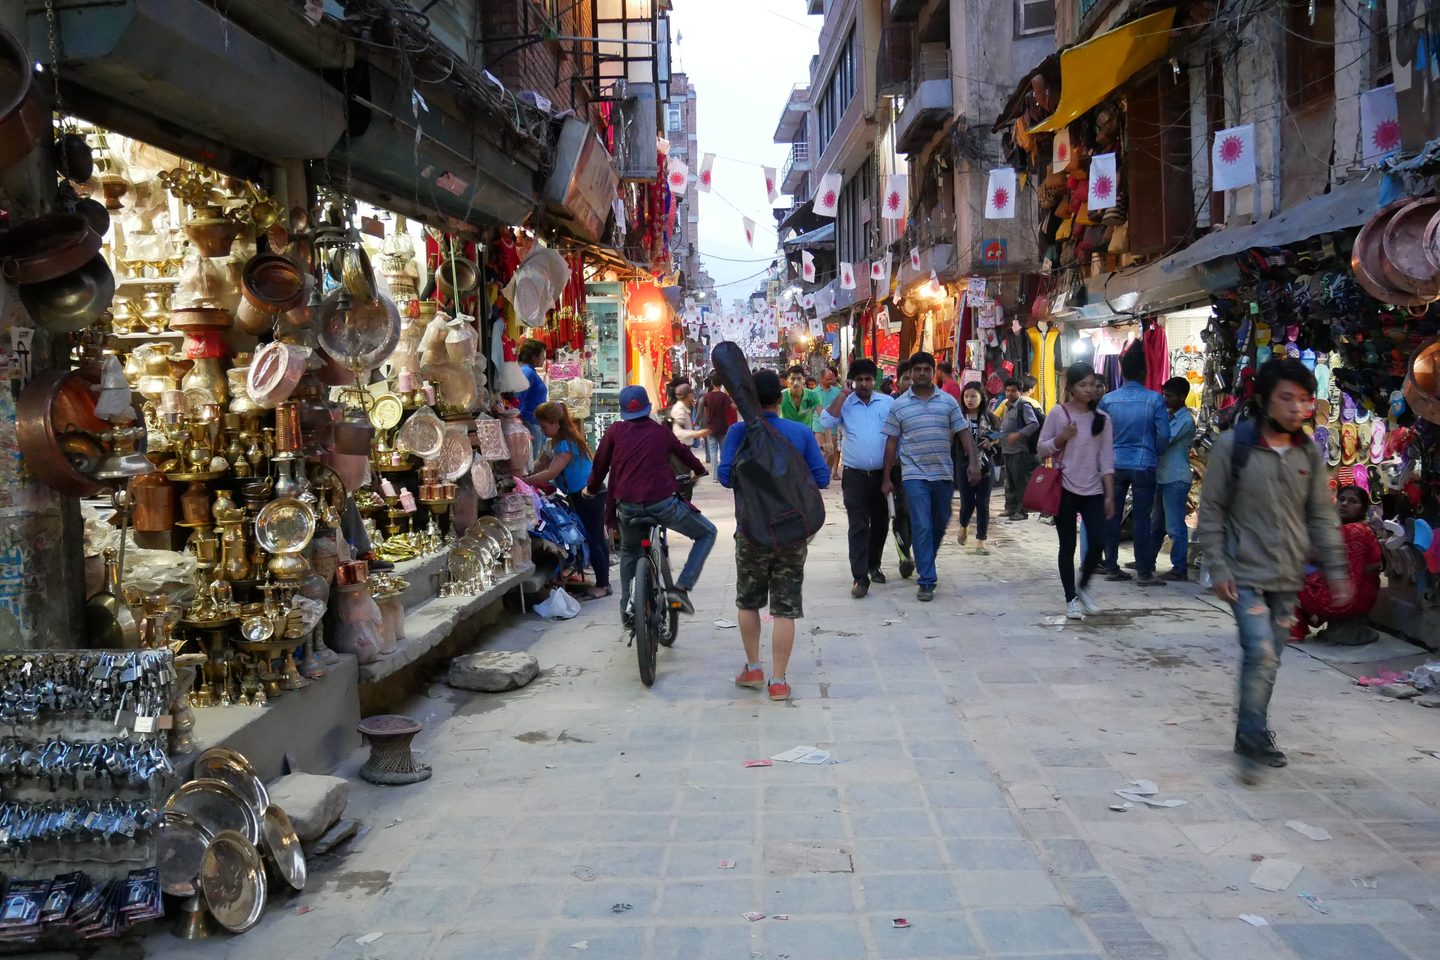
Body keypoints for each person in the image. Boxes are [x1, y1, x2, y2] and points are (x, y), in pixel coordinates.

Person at [1196, 357, 1350, 770]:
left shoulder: (1309, 452)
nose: (1296, 408)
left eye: (1303, 399)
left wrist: (1336, 570)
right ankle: (1251, 738)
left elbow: (1321, 514)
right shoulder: (1234, 447)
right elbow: (1210, 512)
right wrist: (1218, 567)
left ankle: (1253, 727)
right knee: (1260, 653)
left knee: (1271, 658)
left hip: (1287, 575)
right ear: (1264, 400)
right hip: (1242, 572)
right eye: (1287, 398)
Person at [718, 370, 830, 701]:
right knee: (785, 608)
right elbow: (822, 477)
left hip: (751, 531)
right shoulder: (799, 432)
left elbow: (725, 477)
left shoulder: (739, 432)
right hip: (792, 533)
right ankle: (778, 681)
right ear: (779, 399)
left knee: (748, 601)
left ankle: (754, 667)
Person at [586, 385, 718, 631]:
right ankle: (681, 589)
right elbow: (684, 454)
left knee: (629, 553)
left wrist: (591, 489)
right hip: (663, 504)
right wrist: (699, 470)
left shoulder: (615, 431)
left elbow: (599, 466)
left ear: (623, 411)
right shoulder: (660, 431)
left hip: (627, 507)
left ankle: (627, 607)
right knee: (707, 533)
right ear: (647, 408)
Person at [881, 352, 981, 601]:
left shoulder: (947, 402)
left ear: (933, 372)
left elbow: (964, 434)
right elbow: (891, 443)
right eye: (918, 370)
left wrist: (974, 462)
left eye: (927, 369)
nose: (922, 373)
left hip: (943, 474)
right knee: (922, 525)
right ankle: (927, 579)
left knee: (940, 522)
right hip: (913, 474)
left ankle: (925, 558)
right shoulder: (899, 405)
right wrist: (886, 478)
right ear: (911, 373)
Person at [1037, 362, 1115, 620]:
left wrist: (1110, 494)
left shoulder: (1103, 419)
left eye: (1093, 385)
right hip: (1065, 488)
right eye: (1083, 385)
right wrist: (1062, 438)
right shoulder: (1058, 414)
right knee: (1067, 545)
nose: (1089, 389)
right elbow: (1041, 448)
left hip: (1094, 490)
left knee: (1099, 541)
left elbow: (1106, 459)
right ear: (1070, 388)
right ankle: (1070, 597)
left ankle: (1083, 587)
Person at [819, 359, 895, 598]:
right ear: (852, 381)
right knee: (859, 525)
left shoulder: (887, 403)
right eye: (859, 379)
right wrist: (843, 395)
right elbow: (826, 422)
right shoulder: (845, 403)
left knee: (881, 523)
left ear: (875, 381)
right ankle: (860, 578)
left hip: (883, 474)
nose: (864, 383)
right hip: (854, 475)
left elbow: (896, 436)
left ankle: (874, 564)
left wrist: (892, 475)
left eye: (868, 379)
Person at [523, 402, 609, 599]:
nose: (543, 431)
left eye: (544, 427)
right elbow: (541, 464)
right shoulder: (552, 442)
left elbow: (551, 472)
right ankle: (603, 581)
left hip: (589, 494)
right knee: (595, 536)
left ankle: (603, 585)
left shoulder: (565, 444)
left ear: (556, 424)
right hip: (580, 494)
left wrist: (524, 481)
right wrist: (526, 474)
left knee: (595, 538)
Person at [1098, 344, 1168, 586]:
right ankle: (1145, 572)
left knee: (1112, 517)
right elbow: (1163, 435)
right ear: (1143, 373)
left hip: (1114, 463)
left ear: (1122, 371)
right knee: (1142, 519)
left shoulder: (1107, 400)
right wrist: (1154, 453)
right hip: (1144, 463)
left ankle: (1111, 566)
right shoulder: (1155, 399)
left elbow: (1099, 433)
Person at [1292, 485, 1383, 646]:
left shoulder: (1355, 530)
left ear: (1362, 509)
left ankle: (1294, 630)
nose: (1345, 503)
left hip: (1347, 596)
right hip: (1355, 595)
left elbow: (1340, 570)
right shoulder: (1351, 529)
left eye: (1352, 501)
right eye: (1342, 499)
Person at [1152, 376, 1197, 581]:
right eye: (1164, 394)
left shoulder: (1185, 420)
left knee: (1174, 525)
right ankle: (1147, 560)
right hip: (1164, 476)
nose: (1165, 399)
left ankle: (1179, 568)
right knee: (1157, 523)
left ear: (1181, 397)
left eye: (1169, 396)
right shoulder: (1170, 415)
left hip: (1175, 477)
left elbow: (1164, 440)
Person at [955, 382, 1000, 555]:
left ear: (981, 397)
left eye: (973, 396)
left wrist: (991, 440)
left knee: (983, 503)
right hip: (963, 463)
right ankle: (964, 525)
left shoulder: (989, 417)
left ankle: (981, 540)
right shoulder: (958, 417)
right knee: (967, 502)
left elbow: (998, 432)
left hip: (985, 464)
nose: (970, 400)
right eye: (966, 396)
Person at [998, 378, 1041, 520]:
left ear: (1019, 392)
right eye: (1008, 390)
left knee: (1020, 482)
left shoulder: (1024, 405)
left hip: (1020, 450)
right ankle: (1010, 508)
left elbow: (1033, 424)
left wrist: (1018, 435)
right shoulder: (1007, 405)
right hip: (1007, 449)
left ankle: (1022, 511)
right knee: (1009, 481)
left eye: (1013, 391)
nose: (1010, 393)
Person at [517, 339, 549, 458]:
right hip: (530, 420)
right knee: (534, 459)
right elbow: (519, 397)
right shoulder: (527, 372)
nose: (544, 359)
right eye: (542, 355)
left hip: (535, 421)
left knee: (537, 456)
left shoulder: (530, 371)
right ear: (534, 357)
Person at [699, 376, 737, 474]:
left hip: (711, 428)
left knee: (713, 452)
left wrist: (697, 421)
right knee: (723, 452)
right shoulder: (725, 397)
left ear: (712, 383)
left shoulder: (706, 397)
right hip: (723, 428)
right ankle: (723, 473)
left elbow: (700, 409)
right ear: (721, 384)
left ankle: (715, 476)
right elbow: (734, 407)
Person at [814, 368, 844, 480]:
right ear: (821, 379)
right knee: (822, 451)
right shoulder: (814, 393)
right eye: (827, 379)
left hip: (833, 427)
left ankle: (827, 472)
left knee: (832, 452)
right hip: (818, 426)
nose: (830, 381)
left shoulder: (837, 392)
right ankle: (821, 474)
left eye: (831, 379)